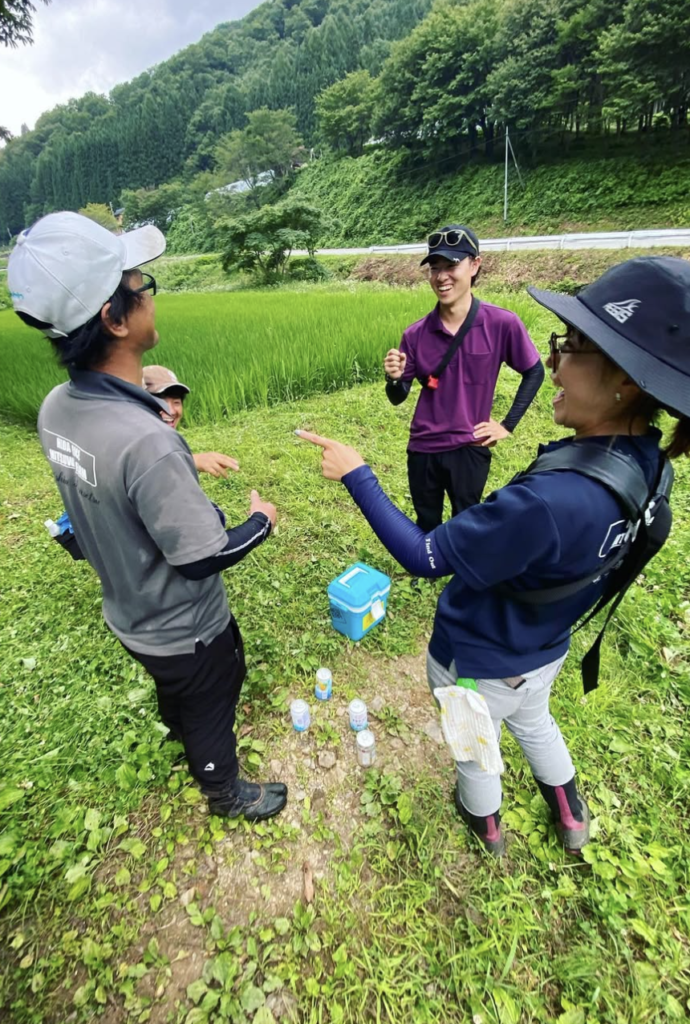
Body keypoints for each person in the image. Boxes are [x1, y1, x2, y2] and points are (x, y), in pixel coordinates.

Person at [299, 256, 690, 856]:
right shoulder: (648, 464)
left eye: (572, 345)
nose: (552, 361)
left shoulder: (550, 503)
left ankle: (484, 825)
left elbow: (427, 553)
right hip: (545, 648)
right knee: (535, 719)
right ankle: (569, 812)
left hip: (478, 658)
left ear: (627, 379)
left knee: (474, 748)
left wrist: (357, 474)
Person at [8, 211, 287, 822]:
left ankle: (181, 732)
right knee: (213, 699)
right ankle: (224, 791)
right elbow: (202, 556)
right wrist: (261, 519)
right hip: (186, 630)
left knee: (177, 696)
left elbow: (95, 502)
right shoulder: (148, 442)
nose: (148, 294)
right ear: (112, 317)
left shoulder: (57, 408)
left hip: (129, 616)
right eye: (140, 284)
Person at [384, 225, 544, 531]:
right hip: (423, 446)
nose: (441, 276)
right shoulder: (415, 334)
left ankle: (461, 574)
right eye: (434, 268)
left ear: (474, 265)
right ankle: (426, 572)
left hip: (469, 446)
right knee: (427, 520)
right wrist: (394, 378)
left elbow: (534, 371)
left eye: (451, 266)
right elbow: (398, 395)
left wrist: (507, 425)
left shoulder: (501, 323)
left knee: (466, 521)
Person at [142, 364, 240, 478]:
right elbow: (141, 466)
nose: (172, 411)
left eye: (176, 402)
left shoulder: (169, 441)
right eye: (161, 402)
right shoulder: (133, 440)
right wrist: (193, 460)